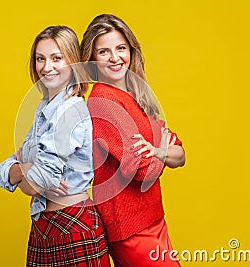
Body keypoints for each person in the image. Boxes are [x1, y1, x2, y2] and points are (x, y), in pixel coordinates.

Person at [0, 25, 110, 267]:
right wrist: (25, 167)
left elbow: (36, 182)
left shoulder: (70, 111)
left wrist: (22, 169)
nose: (47, 67)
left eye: (57, 58)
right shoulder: (45, 109)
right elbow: (11, 167)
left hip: (72, 225)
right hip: (44, 228)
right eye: (40, 59)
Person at [80, 14, 186, 266]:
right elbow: (141, 170)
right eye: (104, 51)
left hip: (152, 216)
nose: (115, 58)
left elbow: (180, 154)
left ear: (131, 50)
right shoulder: (103, 101)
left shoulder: (135, 94)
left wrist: (159, 150)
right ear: (92, 58)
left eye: (121, 48)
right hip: (129, 227)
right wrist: (162, 148)